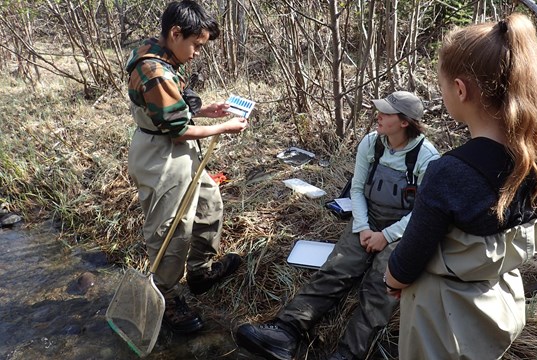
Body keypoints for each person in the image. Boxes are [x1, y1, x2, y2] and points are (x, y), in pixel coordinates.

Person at [384, 13, 537, 359]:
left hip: (443, 325)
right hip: (499, 308)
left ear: (460, 89)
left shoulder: (449, 172)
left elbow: (406, 262)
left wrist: (392, 281)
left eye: (442, 86)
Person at [236, 91, 440, 360]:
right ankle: (285, 331)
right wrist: (364, 227)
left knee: (380, 287)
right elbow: (356, 189)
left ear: (405, 122)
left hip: (404, 232)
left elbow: (422, 214)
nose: (378, 115)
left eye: (386, 113)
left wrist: (386, 236)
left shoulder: (428, 158)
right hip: (368, 220)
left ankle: (347, 354)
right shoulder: (372, 143)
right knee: (337, 268)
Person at [125, 0, 248, 334]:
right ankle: (164, 296)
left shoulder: (159, 49)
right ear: (175, 33)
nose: (196, 53)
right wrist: (224, 127)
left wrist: (207, 110)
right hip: (161, 156)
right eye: (195, 45)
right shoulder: (154, 70)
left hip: (176, 146)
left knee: (209, 203)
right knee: (171, 230)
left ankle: (200, 271)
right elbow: (178, 131)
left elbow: (171, 110)